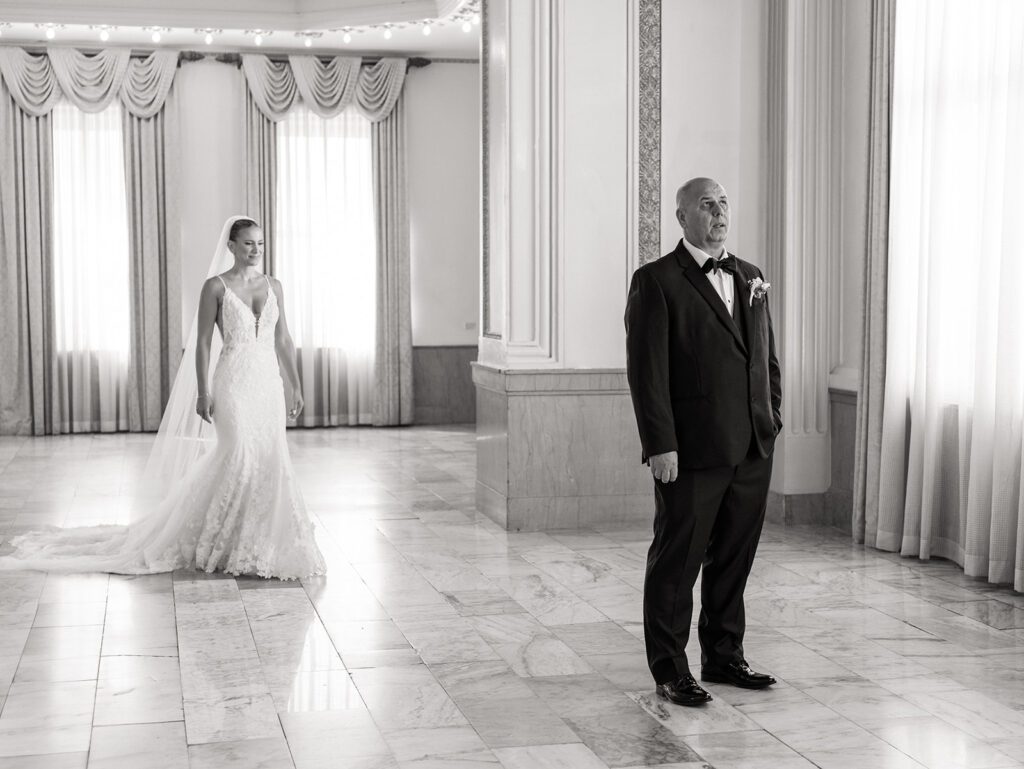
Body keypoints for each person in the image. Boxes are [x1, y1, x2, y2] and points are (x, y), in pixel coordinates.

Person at [0, 216, 325, 580]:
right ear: (231, 246)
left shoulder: (274, 286)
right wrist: (202, 391)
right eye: (248, 243)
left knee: (270, 457)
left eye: (260, 243)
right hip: (233, 382)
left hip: (268, 384)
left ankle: (255, 543)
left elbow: (283, 338)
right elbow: (202, 342)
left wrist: (295, 384)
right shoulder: (215, 287)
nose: (256, 250)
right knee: (237, 453)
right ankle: (212, 537)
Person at [625, 177, 781, 706]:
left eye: (723, 204)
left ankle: (724, 656)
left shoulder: (752, 276)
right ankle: (670, 669)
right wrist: (660, 444)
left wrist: (772, 419)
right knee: (677, 563)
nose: (718, 213)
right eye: (705, 205)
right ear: (681, 218)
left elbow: (765, 359)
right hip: (690, 452)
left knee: (734, 559)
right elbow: (647, 373)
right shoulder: (657, 281)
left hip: (752, 448)